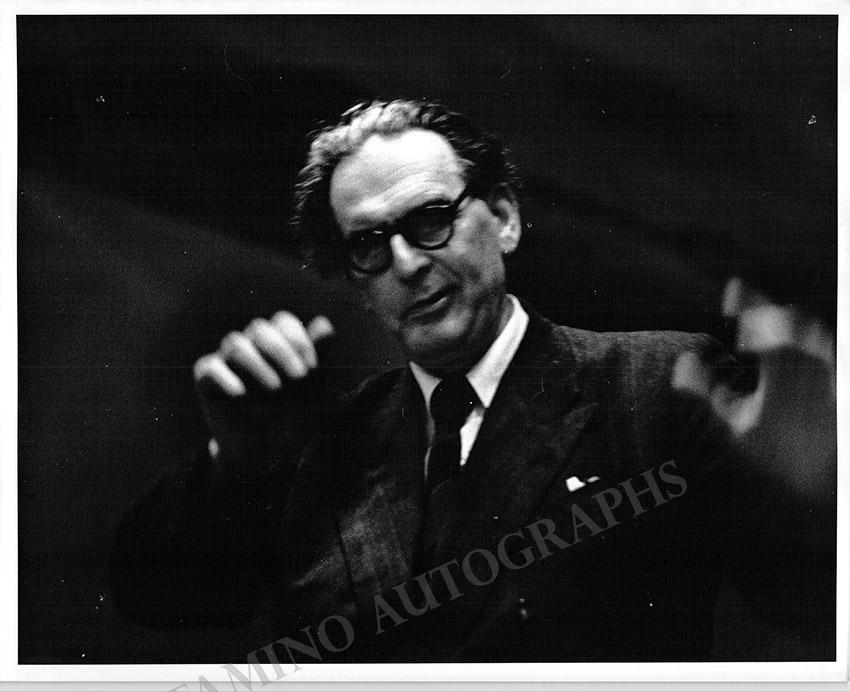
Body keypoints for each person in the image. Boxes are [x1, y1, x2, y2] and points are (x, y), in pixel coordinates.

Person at [110, 99, 835, 662]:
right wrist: (234, 463)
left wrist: (817, 484)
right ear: (357, 280)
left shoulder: (654, 384)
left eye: (432, 219)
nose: (405, 263)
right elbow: (158, 598)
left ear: (506, 220)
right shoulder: (320, 443)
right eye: (369, 244)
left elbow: (814, 603)